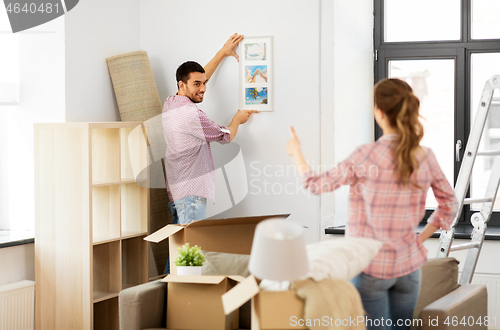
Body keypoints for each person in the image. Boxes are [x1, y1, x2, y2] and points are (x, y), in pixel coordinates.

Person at [287, 78, 458, 330]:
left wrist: (296, 152)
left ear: (379, 113)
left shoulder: (366, 155)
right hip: (409, 268)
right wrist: (420, 239)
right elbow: (450, 204)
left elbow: (315, 184)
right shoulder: (425, 156)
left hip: (370, 268)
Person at [162, 33, 258, 226]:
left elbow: (198, 78)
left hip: (176, 193)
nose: (203, 88)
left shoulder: (171, 103)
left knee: (179, 250)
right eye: (197, 84)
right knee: (192, 250)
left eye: (204, 83)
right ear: (182, 85)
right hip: (190, 195)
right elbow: (226, 136)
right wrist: (237, 120)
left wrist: (222, 53)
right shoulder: (192, 115)